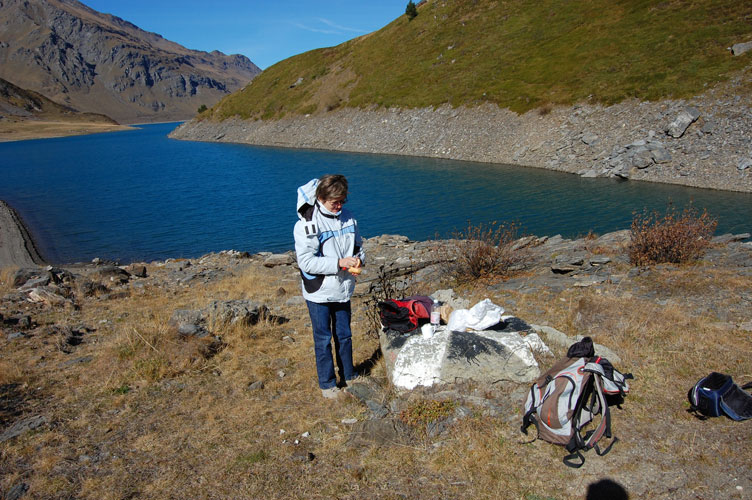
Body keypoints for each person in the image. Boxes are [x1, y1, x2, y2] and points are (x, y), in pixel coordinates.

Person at [294, 174, 364, 399]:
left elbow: (357, 246)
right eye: (335, 202)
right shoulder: (307, 224)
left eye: (343, 201)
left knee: (344, 335)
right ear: (322, 198)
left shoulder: (349, 218)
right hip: (319, 292)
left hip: (343, 288)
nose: (340, 206)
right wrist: (339, 263)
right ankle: (327, 384)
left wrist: (359, 258)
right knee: (323, 339)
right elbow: (306, 262)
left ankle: (349, 376)